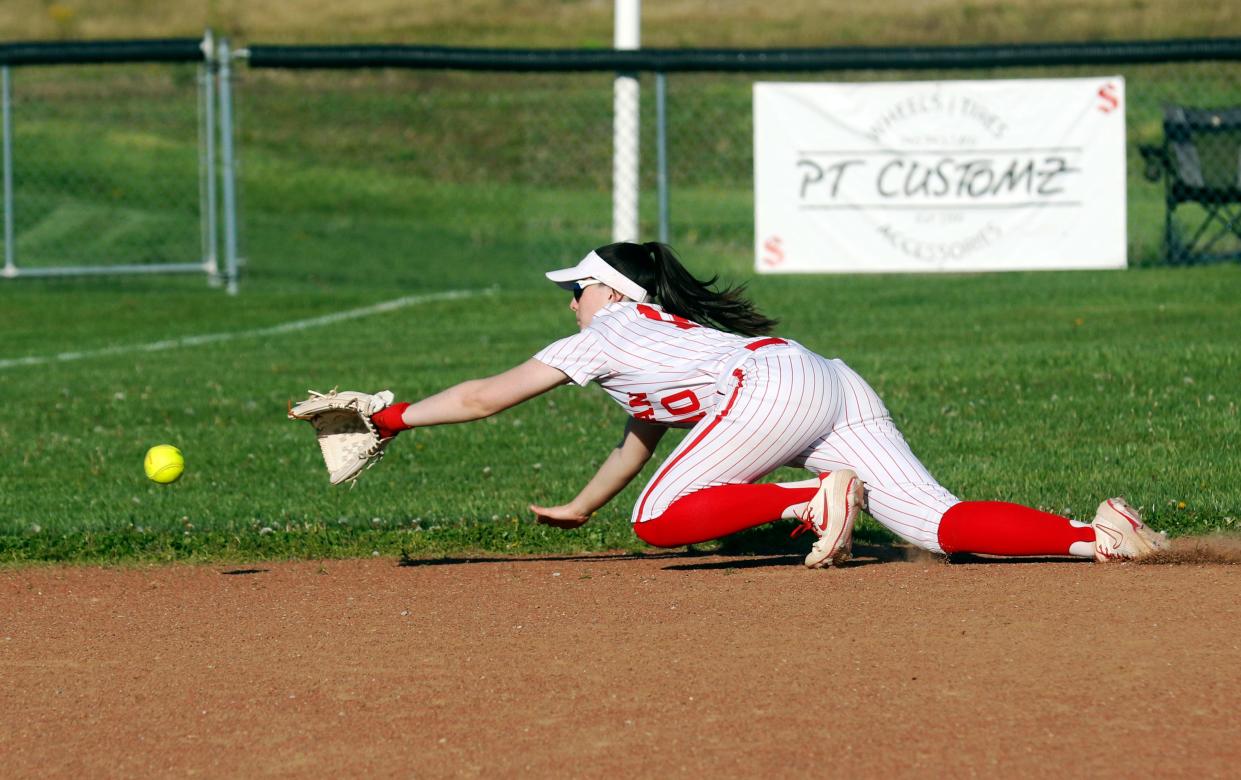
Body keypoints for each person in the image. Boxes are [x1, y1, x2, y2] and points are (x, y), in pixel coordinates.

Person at [369, 241, 1169, 567]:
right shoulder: (660, 333)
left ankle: (808, 501)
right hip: (820, 378)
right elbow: (640, 435)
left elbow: (482, 399)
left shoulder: (606, 331)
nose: (570, 302)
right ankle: (1093, 538)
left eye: (575, 289)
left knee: (655, 522)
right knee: (931, 522)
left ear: (609, 290)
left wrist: (390, 417)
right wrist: (581, 506)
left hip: (765, 390)